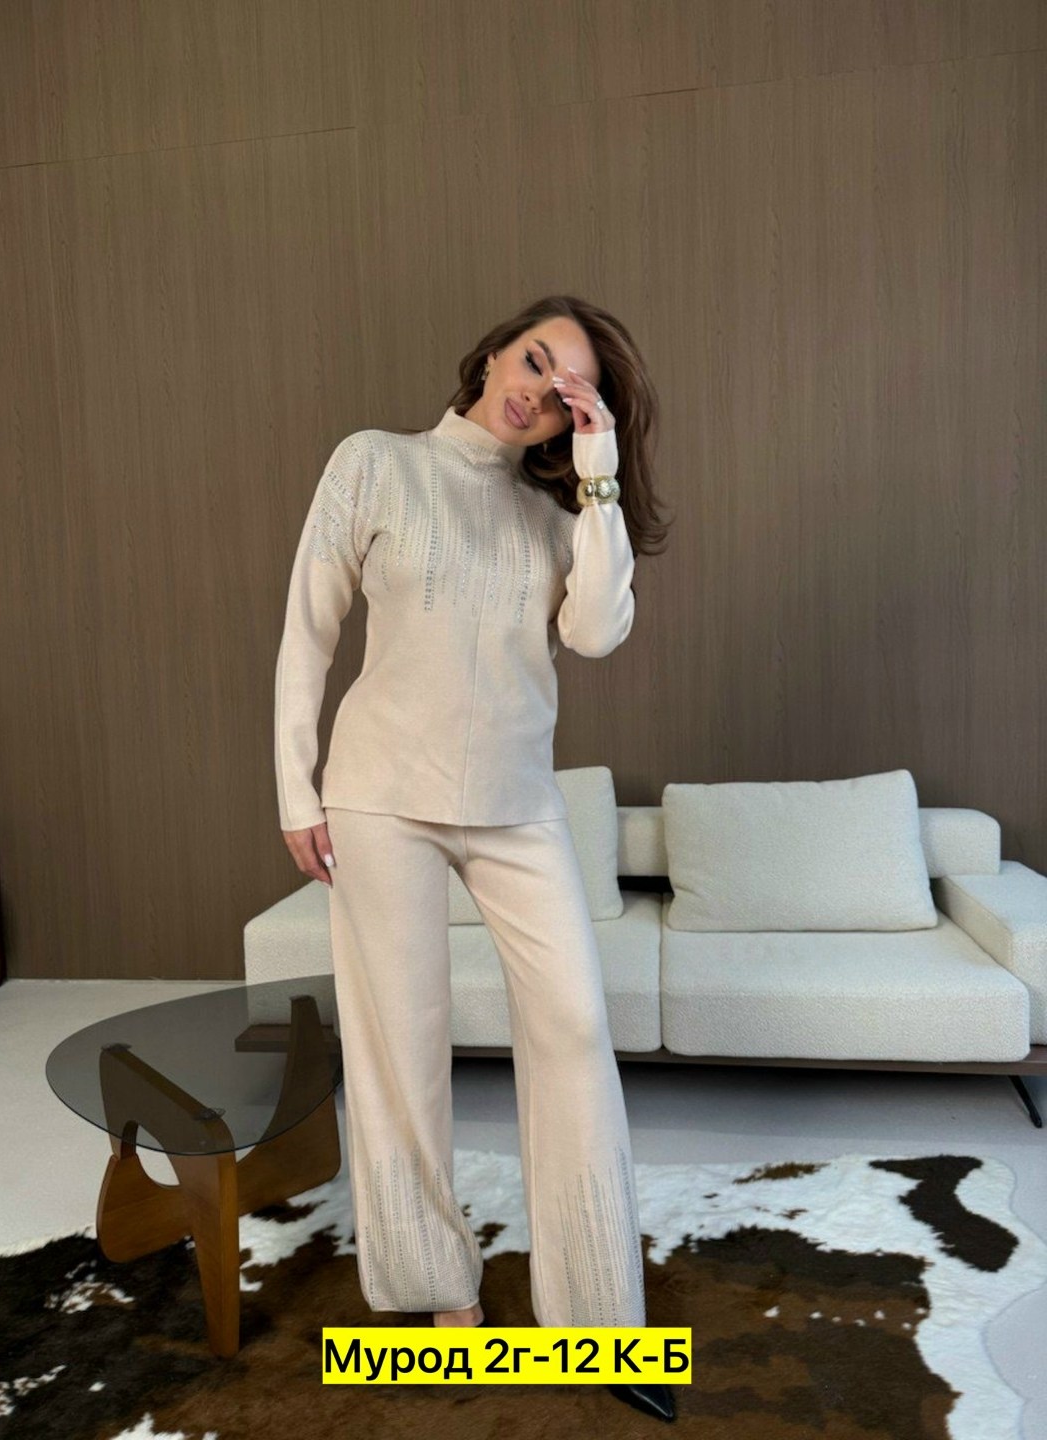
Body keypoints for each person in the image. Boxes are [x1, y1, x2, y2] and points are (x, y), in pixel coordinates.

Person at [274, 295, 675, 1423]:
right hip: (380, 796)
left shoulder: (558, 520)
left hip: (515, 804)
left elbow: (596, 631)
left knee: (576, 1027)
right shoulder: (375, 463)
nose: (537, 390)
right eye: (534, 360)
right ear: (496, 351)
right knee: (401, 1046)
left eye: (568, 391)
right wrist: (296, 788)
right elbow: (308, 629)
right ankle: (439, 1292)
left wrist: (598, 472)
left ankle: (598, 1321)